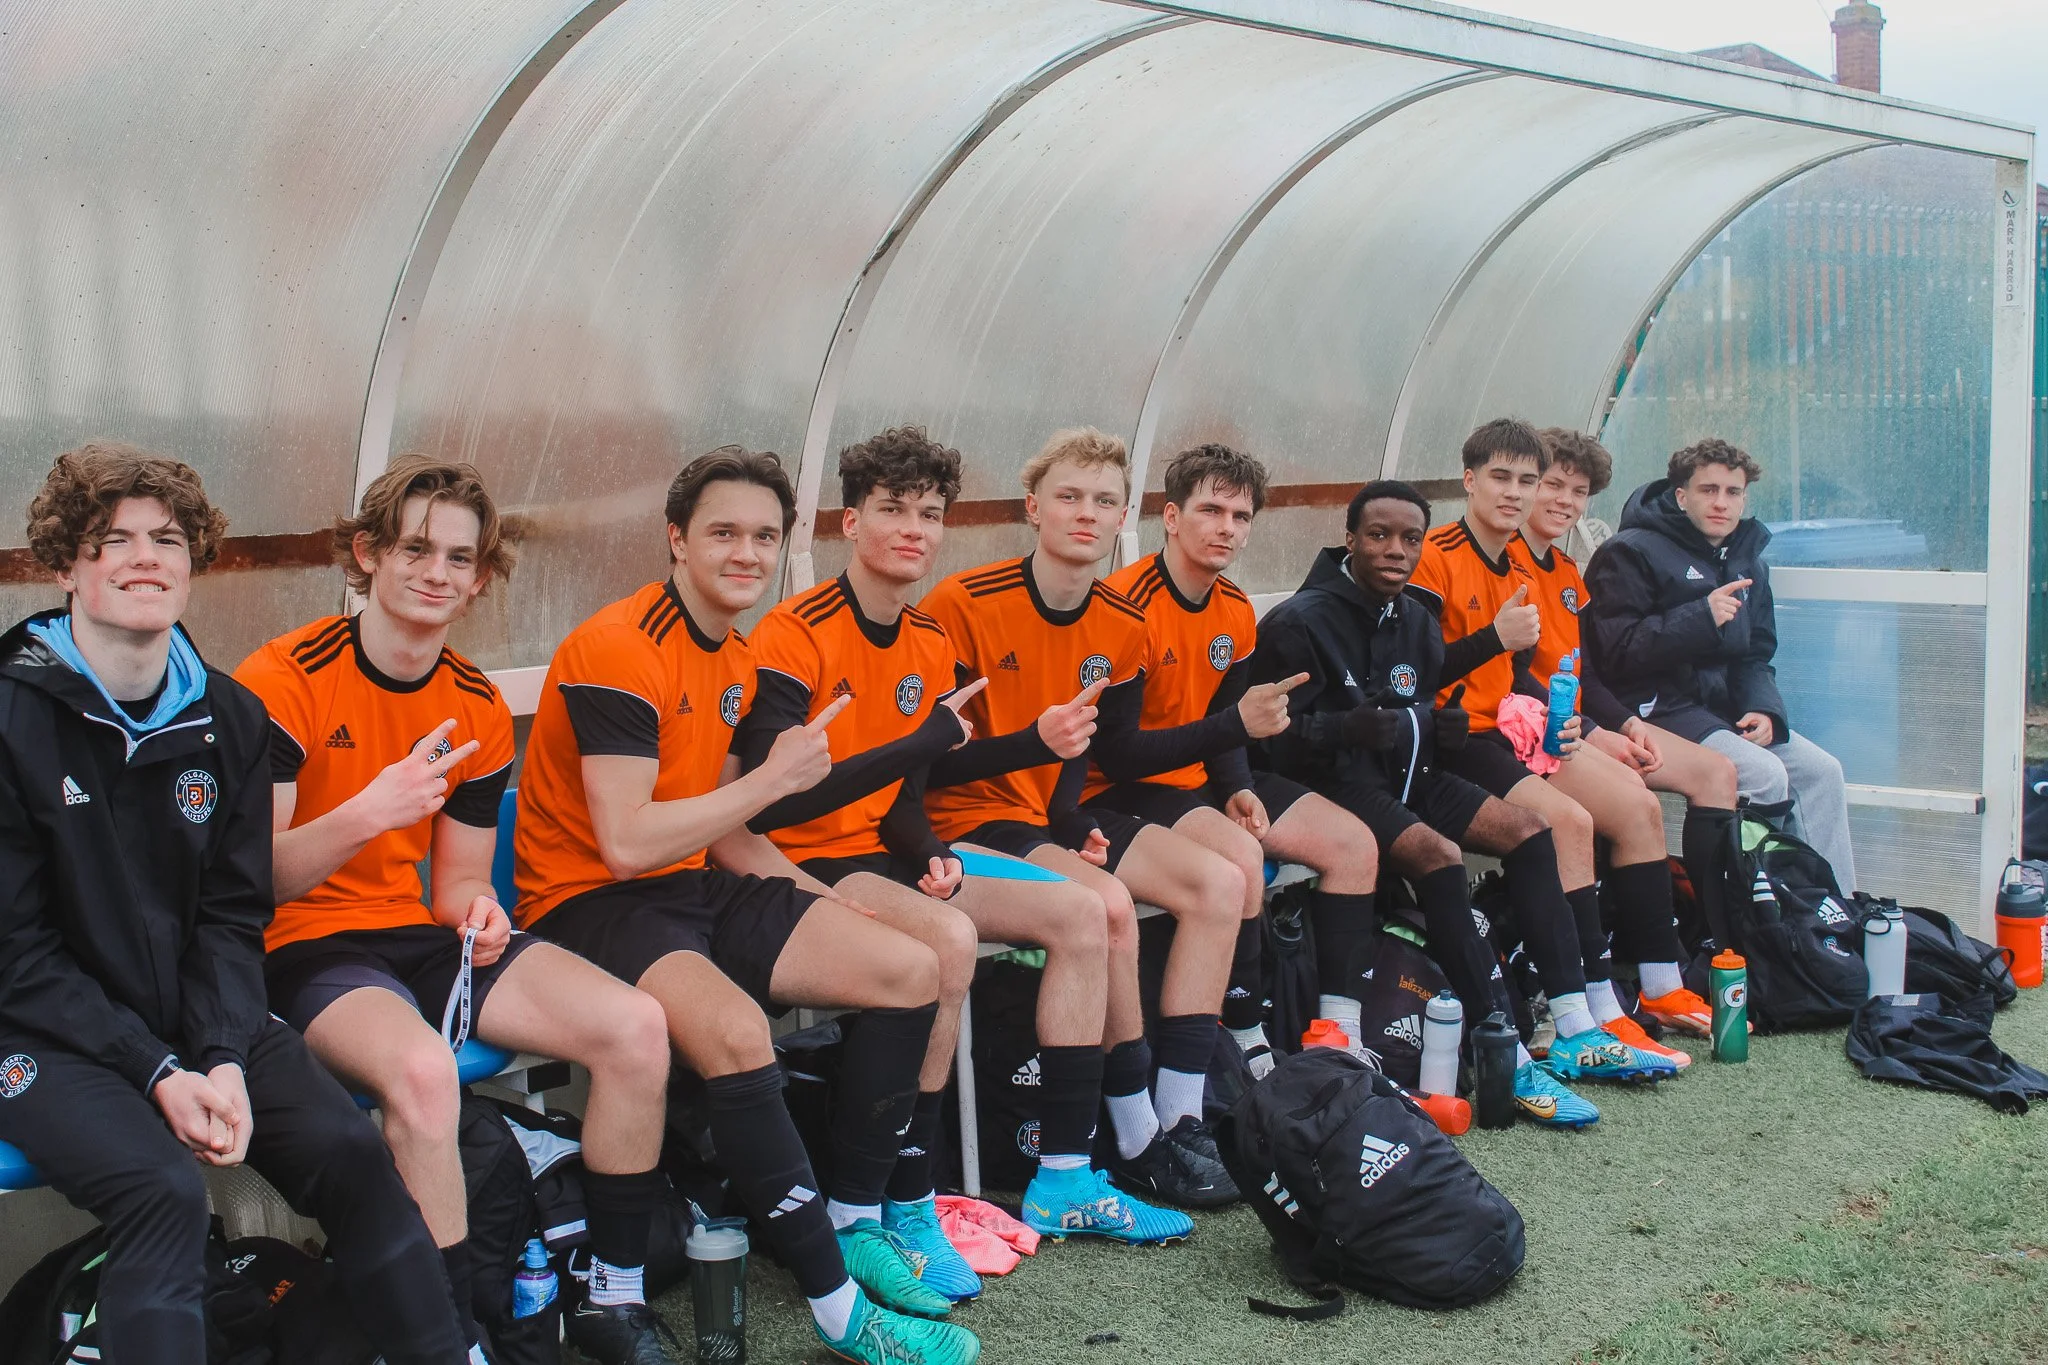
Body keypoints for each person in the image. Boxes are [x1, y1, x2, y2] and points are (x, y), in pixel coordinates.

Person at [0, 444, 471, 1365]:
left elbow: (230, 915)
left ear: (193, 558)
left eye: (167, 538)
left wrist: (218, 1053)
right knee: (160, 1190)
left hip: (194, 1013)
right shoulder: (12, 716)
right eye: (113, 540)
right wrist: (155, 1070)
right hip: (36, 1027)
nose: (146, 557)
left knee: (349, 1150)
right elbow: (15, 955)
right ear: (66, 566)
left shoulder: (229, 716)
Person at [513, 447, 978, 1365]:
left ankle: (852, 1217)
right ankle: (839, 1308)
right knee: (736, 1030)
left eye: (765, 536)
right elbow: (629, 841)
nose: (747, 552)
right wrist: (770, 778)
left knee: (909, 964)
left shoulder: (731, 653)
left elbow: (728, 836)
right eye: (723, 531)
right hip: (591, 899)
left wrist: (832, 911)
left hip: (692, 884)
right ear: (677, 539)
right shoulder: (618, 644)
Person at [237, 456, 679, 1364]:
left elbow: (455, 884)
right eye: (415, 548)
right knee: (428, 1077)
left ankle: (616, 1293)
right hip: (305, 946)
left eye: (459, 557)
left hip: (419, 939)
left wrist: (482, 913)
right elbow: (251, 881)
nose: (437, 571)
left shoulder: (476, 703)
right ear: (367, 555)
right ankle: (446, 1341)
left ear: (480, 577)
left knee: (637, 1027)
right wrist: (372, 809)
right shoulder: (283, 676)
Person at [737, 427, 1178, 1278]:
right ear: (850, 520)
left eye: (929, 513)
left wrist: (930, 848)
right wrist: (926, 758)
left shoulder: (928, 640)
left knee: (1084, 912)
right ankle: (897, 1201)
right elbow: (777, 799)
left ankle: (1063, 1176)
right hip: (798, 863)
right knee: (948, 944)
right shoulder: (793, 633)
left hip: (883, 854)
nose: (913, 528)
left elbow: (907, 795)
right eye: (893, 510)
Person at [920, 428, 1294, 1209]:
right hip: (957, 824)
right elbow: (926, 765)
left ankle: (1173, 1120)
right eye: (1068, 496)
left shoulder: (1120, 625)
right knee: (1108, 905)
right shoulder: (962, 604)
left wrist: (1067, 828)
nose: (1085, 513)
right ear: (1033, 507)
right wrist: (1037, 753)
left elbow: (1078, 761)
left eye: (1101, 500)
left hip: (1042, 820)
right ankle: (1129, 1139)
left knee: (1224, 879)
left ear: (1124, 513)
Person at [1252, 478, 1608, 1128]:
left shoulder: (1415, 616)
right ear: (1351, 539)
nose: (1396, 549)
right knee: (1437, 853)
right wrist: (1339, 730)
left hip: (1406, 775)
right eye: (1380, 535)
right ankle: (1502, 1045)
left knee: (1529, 828)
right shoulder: (1299, 623)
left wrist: (1438, 728)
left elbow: (1421, 695)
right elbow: (1267, 748)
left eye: (1409, 538)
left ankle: (1573, 1018)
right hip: (1332, 787)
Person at [1090, 443, 1381, 1071]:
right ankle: (1245, 1035)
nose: (1227, 528)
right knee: (1244, 858)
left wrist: (1239, 785)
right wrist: (1230, 731)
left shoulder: (1234, 608)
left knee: (1354, 847)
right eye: (1211, 510)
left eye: (1241, 516)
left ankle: (1340, 1032)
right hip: (1125, 787)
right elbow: (1116, 755)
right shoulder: (1124, 609)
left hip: (1198, 777)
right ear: (1170, 517)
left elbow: (1226, 729)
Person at [1406, 419, 1680, 1081]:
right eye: (1504, 477)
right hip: (1442, 745)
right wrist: (1495, 645)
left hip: (1494, 732)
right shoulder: (1436, 555)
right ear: (1468, 479)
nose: (1519, 492)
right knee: (1566, 821)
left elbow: (1518, 673)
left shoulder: (1513, 566)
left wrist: (1552, 718)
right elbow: (1407, 670)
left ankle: (1596, 1008)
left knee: (1593, 816)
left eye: (1529, 480)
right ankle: (1579, 1013)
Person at [1522, 428, 1738, 1039]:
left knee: (1716, 771)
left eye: (1579, 490)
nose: (1565, 499)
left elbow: (1582, 670)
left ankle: (1707, 954)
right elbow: (1509, 679)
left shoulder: (1565, 570)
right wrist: (1595, 732)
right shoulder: (1500, 562)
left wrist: (1624, 722)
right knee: (1635, 805)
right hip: (1531, 730)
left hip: (1581, 722)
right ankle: (1612, 990)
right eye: (1552, 484)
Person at [1583, 438, 1857, 894]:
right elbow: (1614, 652)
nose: (1721, 503)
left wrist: (1765, 709)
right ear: (1681, 495)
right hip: (1656, 709)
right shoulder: (1629, 552)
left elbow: (1755, 653)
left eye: (1733, 492)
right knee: (1765, 775)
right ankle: (1762, 913)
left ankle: (1833, 916)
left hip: (1720, 710)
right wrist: (1700, 618)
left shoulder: (1746, 559)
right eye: (1708, 490)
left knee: (1821, 771)